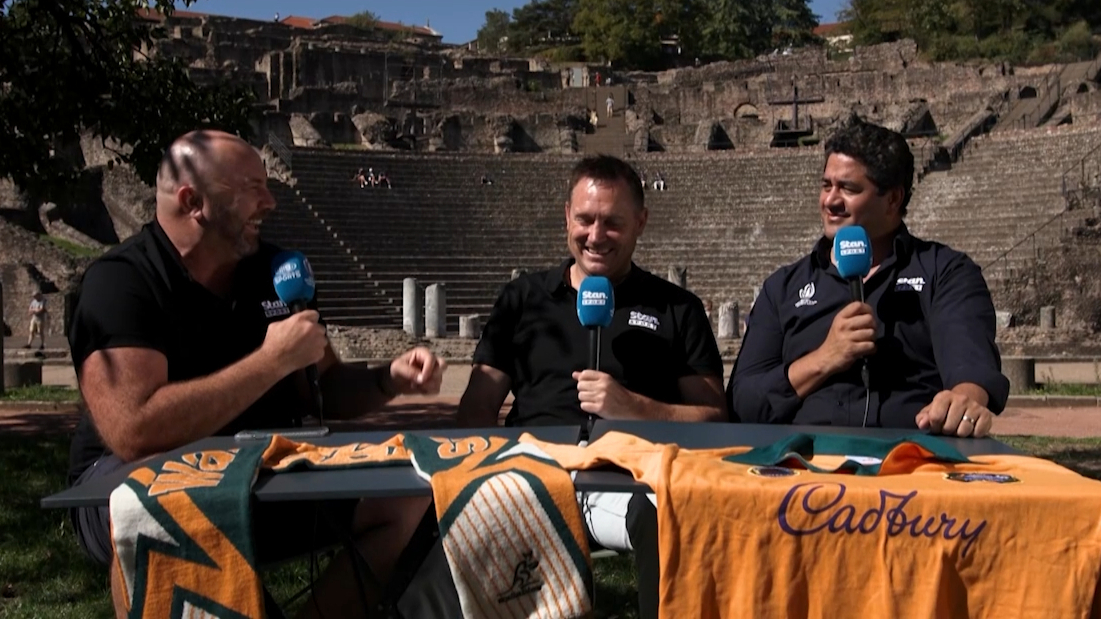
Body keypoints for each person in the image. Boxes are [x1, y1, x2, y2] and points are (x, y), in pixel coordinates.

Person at [66, 130, 447, 618]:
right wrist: (270, 362)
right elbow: (133, 430)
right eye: (252, 188)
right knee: (166, 506)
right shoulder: (120, 284)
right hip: (125, 486)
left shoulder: (276, 271)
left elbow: (321, 390)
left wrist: (386, 380)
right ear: (193, 201)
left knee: (405, 499)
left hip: (257, 473)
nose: (270, 201)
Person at [457, 154, 725, 618]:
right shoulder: (523, 299)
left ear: (641, 222)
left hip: (627, 481)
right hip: (531, 474)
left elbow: (714, 417)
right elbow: (476, 408)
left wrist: (633, 407)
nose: (596, 236)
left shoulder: (676, 308)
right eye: (584, 219)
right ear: (567, 216)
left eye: (613, 223)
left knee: (664, 514)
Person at [727, 119, 1010, 437]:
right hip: (801, 466)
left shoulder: (946, 273)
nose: (831, 201)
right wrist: (824, 358)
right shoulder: (782, 287)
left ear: (892, 200)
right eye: (826, 185)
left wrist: (963, 403)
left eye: (848, 188)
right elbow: (742, 402)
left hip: (910, 464)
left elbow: (969, 366)